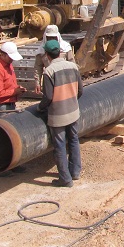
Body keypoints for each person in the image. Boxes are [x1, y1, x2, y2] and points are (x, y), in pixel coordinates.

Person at [38, 39, 83, 188]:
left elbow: (48, 97)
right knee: (74, 140)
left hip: (58, 116)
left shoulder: (49, 72)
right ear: (59, 52)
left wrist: (40, 108)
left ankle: (65, 179)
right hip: (73, 112)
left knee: (60, 145)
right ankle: (75, 172)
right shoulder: (73, 66)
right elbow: (80, 91)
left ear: (47, 55)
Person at [0, 41, 26, 117]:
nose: (12, 59)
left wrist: (18, 89)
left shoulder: (9, 65)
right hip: (1, 108)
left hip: (9, 105)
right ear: (2, 55)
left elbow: (8, 84)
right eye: (10, 57)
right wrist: (14, 92)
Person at [34, 25, 75, 94]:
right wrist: (37, 83)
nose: (51, 40)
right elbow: (38, 67)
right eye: (49, 38)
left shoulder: (65, 48)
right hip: (50, 80)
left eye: (53, 37)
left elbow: (72, 64)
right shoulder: (41, 51)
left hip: (64, 80)